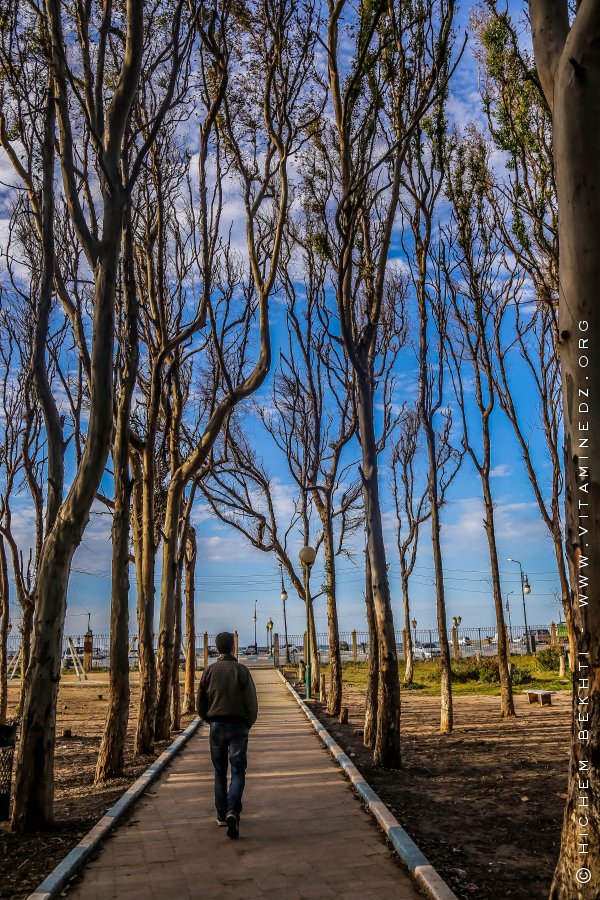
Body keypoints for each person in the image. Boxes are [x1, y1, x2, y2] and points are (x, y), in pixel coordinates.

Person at [196, 631, 258, 839]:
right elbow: (251, 702)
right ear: (233, 648)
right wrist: (248, 723)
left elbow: (200, 703)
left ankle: (222, 814)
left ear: (216, 648)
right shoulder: (241, 671)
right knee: (238, 770)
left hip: (216, 726)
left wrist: (209, 719)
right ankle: (233, 809)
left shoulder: (209, 672)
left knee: (219, 771)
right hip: (238, 726)